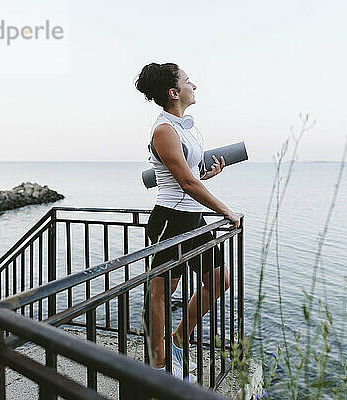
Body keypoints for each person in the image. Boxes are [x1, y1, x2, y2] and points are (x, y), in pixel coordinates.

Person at [135, 62, 240, 382]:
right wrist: (225, 210)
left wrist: (207, 174)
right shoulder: (163, 130)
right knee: (162, 293)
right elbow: (185, 184)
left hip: (191, 219)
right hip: (170, 220)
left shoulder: (181, 128)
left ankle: (178, 341)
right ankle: (158, 363)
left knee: (220, 281)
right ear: (174, 92)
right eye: (188, 81)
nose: (194, 85)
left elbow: (190, 176)